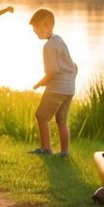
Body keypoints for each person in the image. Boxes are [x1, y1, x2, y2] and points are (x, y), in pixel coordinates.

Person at [28, 8, 78, 157]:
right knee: (62, 120)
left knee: (41, 116)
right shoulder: (59, 40)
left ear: (47, 25)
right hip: (69, 88)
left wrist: (40, 83)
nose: (34, 31)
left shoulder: (48, 46)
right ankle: (64, 152)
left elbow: (52, 71)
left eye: (36, 28)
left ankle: (46, 148)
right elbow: (73, 66)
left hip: (56, 88)